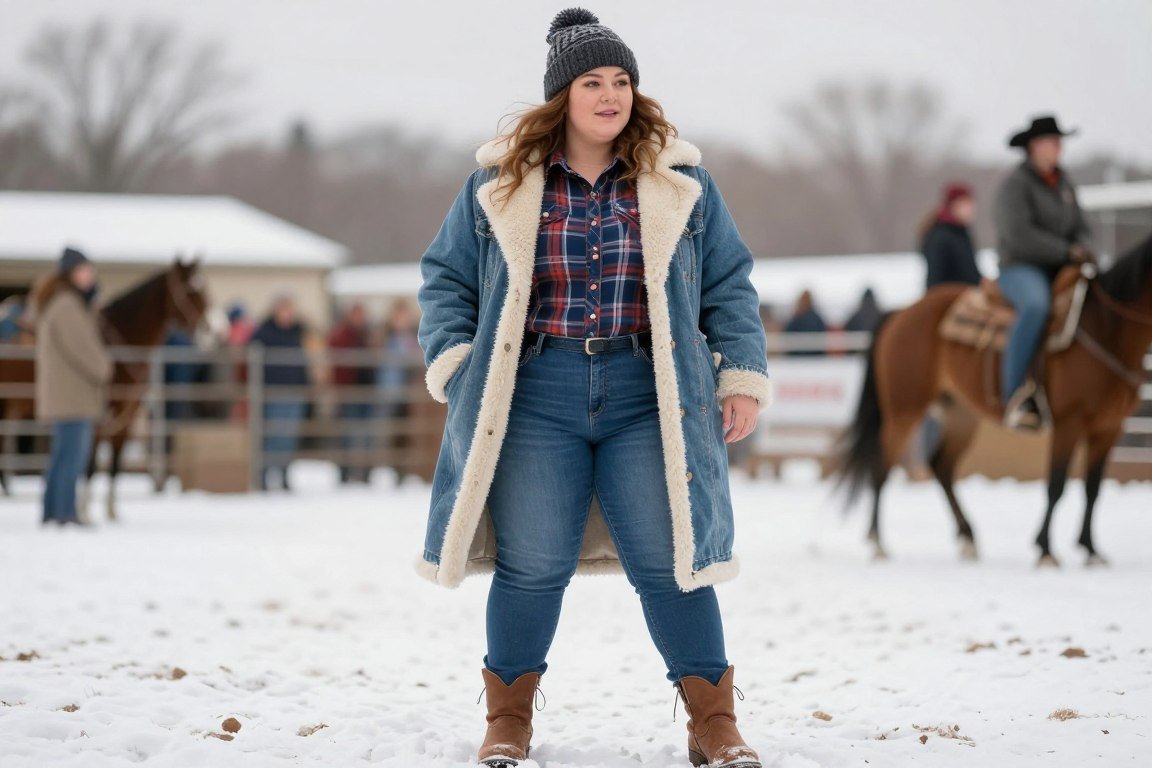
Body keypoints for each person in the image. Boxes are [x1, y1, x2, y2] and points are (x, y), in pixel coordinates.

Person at [417, 10, 770, 767]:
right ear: (562, 97)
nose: (611, 95)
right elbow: (444, 278)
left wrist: (741, 375)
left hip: (650, 391)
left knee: (671, 557)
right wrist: (455, 362)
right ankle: (507, 721)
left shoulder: (683, 183)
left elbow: (729, 283)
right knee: (532, 562)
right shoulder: (498, 183)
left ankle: (714, 723)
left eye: (622, 81)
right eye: (592, 82)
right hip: (536, 391)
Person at [994, 115, 1091, 430]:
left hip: (1061, 268)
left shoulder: (1064, 184)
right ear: (1034, 146)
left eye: (1059, 141)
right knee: (1036, 306)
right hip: (1020, 268)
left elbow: (1082, 226)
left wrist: (1085, 249)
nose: (1059, 147)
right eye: (1053, 141)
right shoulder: (1016, 185)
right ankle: (1016, 395)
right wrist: (1065, 251)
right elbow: (1018, 234)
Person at [34, 247, 112, 526]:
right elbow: (82, 348)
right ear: (71, 273)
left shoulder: (63, 302)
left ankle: (53, 510)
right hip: (72, 394)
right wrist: (105, 368)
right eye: (85, 270)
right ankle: (64, 512)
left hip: (67, 393)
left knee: (62, 455)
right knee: (71, 457)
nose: (90, 276)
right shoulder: (68, 305)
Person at [249, 294, 310, 491]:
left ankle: (284, 473)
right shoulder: (264, 332)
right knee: (272, 434)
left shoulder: (297, 332)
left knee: (288, 437)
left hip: (294, 391)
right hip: (272, 391)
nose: (286, 314)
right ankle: (265, 474)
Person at [328, 303, 375, 483]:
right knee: (348, 433)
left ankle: (364, 471)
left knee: (366, 434)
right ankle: (345, 471)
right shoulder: (341, 334)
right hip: (348, 391)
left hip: (367, 390)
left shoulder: (369, 334)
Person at [375, 299, 421, 483]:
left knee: (405, 430)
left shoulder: (413, 335)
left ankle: (402, 469)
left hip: (408, 390)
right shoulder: (384, 335)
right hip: (389, 389)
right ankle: (391, 466)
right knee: (390, 429)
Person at [921, 182, 982, 289]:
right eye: (966, 204)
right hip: (951, 299)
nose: (971, 209)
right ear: (954, 205)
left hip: (967, 293)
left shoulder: (961, 233)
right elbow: (935, 279)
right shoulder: (941, 236)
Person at [783, 289, 827, 356]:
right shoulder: (816, 318)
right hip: (815, 357)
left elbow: (787, 333)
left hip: (798, 356)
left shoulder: (797, 318)